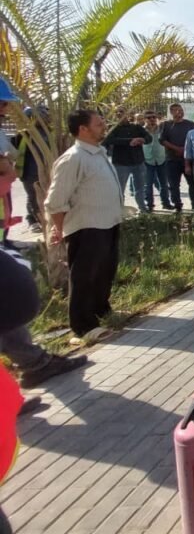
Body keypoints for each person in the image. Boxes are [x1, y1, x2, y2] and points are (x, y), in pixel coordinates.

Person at [44, 110, 123, 340]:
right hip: (86, 227)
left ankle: (100, 310)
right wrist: (58, 229)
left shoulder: (97, 153)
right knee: (84, 276)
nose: (104, 126)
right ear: (83, 129)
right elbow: (56, 201)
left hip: (107, 223)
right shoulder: (73, 158)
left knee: (104, 271)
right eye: (99, 124)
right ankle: (83, 326)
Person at [0, 241, 88, 393]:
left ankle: (34, 365)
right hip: (20, 290)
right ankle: (34, 364)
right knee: (6, 320)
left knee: (6, 319)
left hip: (15, 293)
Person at [103, 107, 151, 212]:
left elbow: (149, 138)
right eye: (117, 112)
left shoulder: (136, 127)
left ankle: (143, 209)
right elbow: (109, 140)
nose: (119, 114)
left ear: (127, 114)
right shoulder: (113, 128)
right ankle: (119, 210)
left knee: (140, 188)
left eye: (122, 111)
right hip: (121, 164)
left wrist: (142, 139)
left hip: (138, 162)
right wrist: (130, 141)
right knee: (119, 189)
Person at [159, 104, 194, 211]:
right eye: (176, 110)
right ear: (171, 112)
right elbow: (162, 140)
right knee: (174, 184)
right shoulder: (165, 124)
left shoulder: (190, 124)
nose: (179, 112)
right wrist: (176, 149)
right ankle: (177, 205)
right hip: (172, 159)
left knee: (193, 183)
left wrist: (185, 150)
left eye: (181, 110)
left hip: (188, 159)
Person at [141, 111, 172, 211]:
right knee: (148, 184)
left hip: (161, 159)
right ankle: (149, 204)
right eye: (149, 117)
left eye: (154, 117)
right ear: (145, 119)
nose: (152, 119)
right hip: (147, 160)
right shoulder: (141, 131)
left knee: (164, 184)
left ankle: (166, 203)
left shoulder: (162, 130)